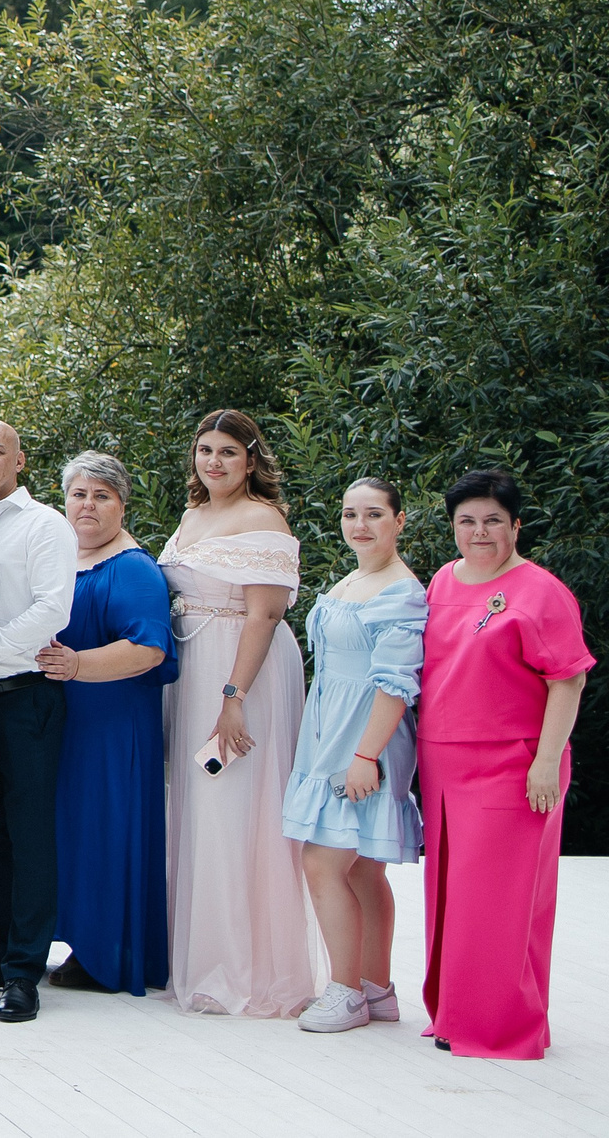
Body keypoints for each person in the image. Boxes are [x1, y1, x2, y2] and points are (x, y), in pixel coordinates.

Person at [416, 468, 591, 1059]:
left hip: (514, 763)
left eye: (493, 520)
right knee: (450, 896)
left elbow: (568, 679)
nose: (480, 531)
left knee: (499, 900)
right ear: (453, 528)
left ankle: (499, 1029)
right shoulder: (442, 579)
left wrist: (546, 762)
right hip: (444, 762)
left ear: (516, 526)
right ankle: (454, 1017)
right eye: (467, 521)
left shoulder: (542, 591)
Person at [159, 407, 318, 1018]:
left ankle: (245, 970)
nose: (215, 461)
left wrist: (234, 699)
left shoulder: (262, 518)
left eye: (228, 451)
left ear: (251, 459)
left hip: (240, 671)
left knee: (235, 806)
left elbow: (265, 614)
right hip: (193, 669)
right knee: (199, 808)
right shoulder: (194, 514)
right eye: (205, 450)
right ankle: (201, 961)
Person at [286, 477, 426, 1034]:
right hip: (331, 730)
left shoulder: (400, 591)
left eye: (373, 514)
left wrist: (366, 755)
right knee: (363, 869)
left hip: (365, 736)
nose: (359, 525)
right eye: (349, 514)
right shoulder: (356, 578)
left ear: (399, 520)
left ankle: (343, 991)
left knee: (321, 861)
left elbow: (395, 684)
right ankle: (376, 988)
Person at [0, 417, 77, 1023]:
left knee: (28, 835)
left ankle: (26, 969)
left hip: (24, 694)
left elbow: (54, 606)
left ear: (19, 460)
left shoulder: (45, 524)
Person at [35, 452, 173, 998]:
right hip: (66, 721)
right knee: (65, 831)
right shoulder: (61, 557)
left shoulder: (133, 567)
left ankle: (106, 953)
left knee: (104, 830)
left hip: (113, 723)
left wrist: (78, 666)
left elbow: (148, 647)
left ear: (122, 503)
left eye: (102, 496)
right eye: (78, 495)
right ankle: (59, 936)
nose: (87, 505)